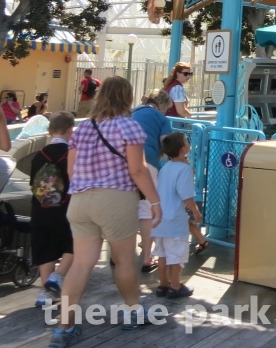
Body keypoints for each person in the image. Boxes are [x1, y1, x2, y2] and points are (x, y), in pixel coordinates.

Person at [50, 76, 162, 347]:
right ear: (127, 97)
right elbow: (137, 169)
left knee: (80, 264)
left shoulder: (82, 128)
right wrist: (155, 201)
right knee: (124, 260)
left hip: (80, 201)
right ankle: (133, 311)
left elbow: (71, 170)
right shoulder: (129, 126)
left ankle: (63, 329)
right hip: (114, 199)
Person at [30, 112, 76, 309]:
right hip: (64, 209)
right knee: (75, 245)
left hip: (40, 210)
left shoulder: (38, 156)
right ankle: (58, 276)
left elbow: (33, 183)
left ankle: (44, 294)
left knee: (45, 250)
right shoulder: (71, 155)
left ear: (49, 131)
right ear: (70, 130)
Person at [152, 132, 201, 298]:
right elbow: (186, 193)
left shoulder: (165, 167)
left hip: (160, 218)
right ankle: (175, 285)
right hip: (175, 218)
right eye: (187, 141)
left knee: (162, 253)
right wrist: (195, 210)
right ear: (183, 149)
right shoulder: (185, 169)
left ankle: (162, 285)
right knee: (177, 254)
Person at [131, 91, 173, 273]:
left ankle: (115, 256)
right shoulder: (161, 119)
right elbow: (167, 144)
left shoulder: (132, 112)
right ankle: (148, 257)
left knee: (126, 207)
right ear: (162, 105)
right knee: (147, 210)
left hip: (124, 161)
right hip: (147, 161)